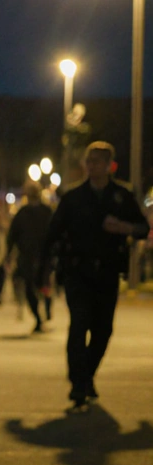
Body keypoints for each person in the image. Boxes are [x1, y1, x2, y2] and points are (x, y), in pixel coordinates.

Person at [41, 141, 150, 412]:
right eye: (89, 161)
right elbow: (53, 233)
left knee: (103, 330)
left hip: (108, 272)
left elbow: (141, 228)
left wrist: (121, 227)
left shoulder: (121, 195)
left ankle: (86, 375)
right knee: (79, 324)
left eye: (98, 161)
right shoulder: (73, 196)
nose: (92, 166)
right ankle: (78, 384)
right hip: (77, 271)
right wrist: (43, 270)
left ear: (109, 165)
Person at [7, 182, 54, 333]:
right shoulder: (23, 213)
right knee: (30, 288)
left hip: (43, 256)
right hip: (27, 256)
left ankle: (46, 309)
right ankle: (39, 318)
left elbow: (56, 233)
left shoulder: (46, 211)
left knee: (43, 285)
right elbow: (12, 235)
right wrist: (9, 254)